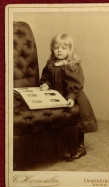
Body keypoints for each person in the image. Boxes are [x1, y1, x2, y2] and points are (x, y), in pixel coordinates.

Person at [40, 33, 98, 161]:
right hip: (57, 98)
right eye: (56, 47)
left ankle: (79, 147)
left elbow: (75, 83)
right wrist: (45, 84)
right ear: (52, 49)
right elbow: (46, 78)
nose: (59, 50)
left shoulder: (72, 65)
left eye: (64, 48)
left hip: (73, 98)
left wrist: (71, 97)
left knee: (76, 121)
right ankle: (65, 147)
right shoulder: (50, 65)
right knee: (62, 122)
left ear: (70, 50)